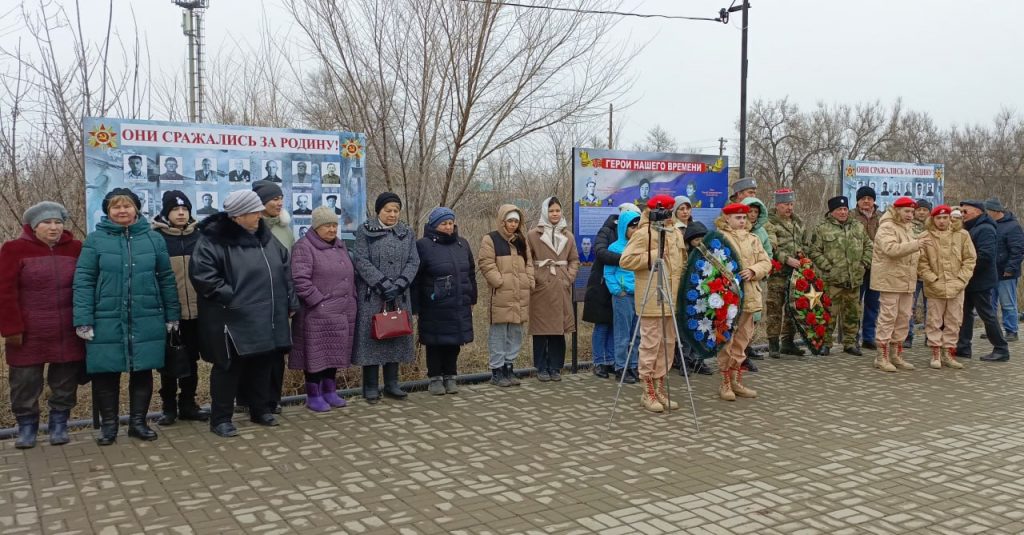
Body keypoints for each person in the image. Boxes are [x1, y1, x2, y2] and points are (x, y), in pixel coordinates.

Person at [73, 189, 181, 445]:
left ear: (136, 209)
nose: (122, 211)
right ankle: (109, 427)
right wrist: (83, 319)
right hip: (106, 317)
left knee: (142, 370)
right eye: (116, 207)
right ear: (108, 211)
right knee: (105, 373)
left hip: (147, 315)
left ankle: (138, 423)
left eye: (127, 206)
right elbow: (84, 281)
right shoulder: (95, 240)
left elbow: (166, 279)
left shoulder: (153, 239)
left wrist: (172, 315)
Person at [190, 190, 298, 437]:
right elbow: (203, 277)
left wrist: (289, 300)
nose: (259, 215)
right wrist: (233, 296)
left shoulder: (265, 236)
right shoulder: (213, 240)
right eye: (254, 212)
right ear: (237, 216)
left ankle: (260, 409)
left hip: (266, 314)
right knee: (228, 368)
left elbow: (284, 267)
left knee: (262, 363)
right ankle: (221, 419)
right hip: (233, 317)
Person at [1, 202, 84, 449]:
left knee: (65, 381)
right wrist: (11, 328)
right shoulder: (14, 249)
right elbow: (4, 291)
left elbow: (87, 285)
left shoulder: (76, 248)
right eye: (47, 222)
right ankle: (27, 427)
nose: (53, 227)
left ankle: (59, 424)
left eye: (58, 222)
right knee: (24, 382)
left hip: (67, 330)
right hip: (28, 332)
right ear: (33, 226)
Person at [352, 192, 420, 402]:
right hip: (373, 295)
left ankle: (392, 384)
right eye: (388, 210)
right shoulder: (365, 230)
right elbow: (361, 260)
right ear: (378, 211)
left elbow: (414, 261)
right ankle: (370, 386)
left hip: (399, 295)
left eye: (396, 210)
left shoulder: (407, 232)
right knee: (371, 339)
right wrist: (381, 283)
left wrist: (400, 284)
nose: (392, 214)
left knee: (395, 336)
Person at [619, 195, 684, 412]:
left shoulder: (675, 233)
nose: (668, 215)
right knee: (651, 344)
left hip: (670, 297)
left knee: (668, 344)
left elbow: (680, 265)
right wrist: (654, 254)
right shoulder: (643, 233)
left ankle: (659, 387)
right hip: (650, 298)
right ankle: (647, 391)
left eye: (670, 210)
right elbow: (625, 260)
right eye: (665, 211)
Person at [290, 206, 357, 411]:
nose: (332, 229)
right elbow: (300, 280)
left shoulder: (340, 246)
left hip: (342, 312)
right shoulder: (304, 247)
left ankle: (330, 391)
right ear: (316, 226)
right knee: (315, 355)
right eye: (327, 225)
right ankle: (313, 395)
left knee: (334, 353)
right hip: (316, 314)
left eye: (334, 225)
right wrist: (319, 301)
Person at [152, 191, 209, 425]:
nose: (181, 213)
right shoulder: (156, 238)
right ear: (167, 213)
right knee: (170, 361)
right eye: (175, 210)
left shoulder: (200, 236)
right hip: (169, 313)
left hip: (196, 312)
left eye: (185, 209)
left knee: (191, 360)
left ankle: (188, 404)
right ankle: (168, 408)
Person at [413, 207, 477, 395]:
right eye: (443, 223)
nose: (448, 227)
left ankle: (450, 376)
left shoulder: (462, 244)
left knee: (454, 342)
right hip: (434, 305)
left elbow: (471, 272)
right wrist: (415, 306)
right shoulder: (423, 246)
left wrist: (472, 297)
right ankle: (435, 378)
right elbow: (416, 278)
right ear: (434, 225)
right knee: (435, 342)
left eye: (451, 223)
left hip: (458, 303)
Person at [714, 203, 772, 401]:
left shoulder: (753, 239)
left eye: (744, 218)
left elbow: (766, 262)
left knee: (743, 339)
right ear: (727, 218)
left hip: (750, 296)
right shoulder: (719, 238)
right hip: (727, 299)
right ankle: (724, 382)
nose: (742, 221)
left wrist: (754, 270)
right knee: (726, 340)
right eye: (737, 217)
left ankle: (736, 380)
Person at [807, 196, 873, 356]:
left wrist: (864, 264)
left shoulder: (857, 226)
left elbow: (869, 246)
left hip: (853, 279)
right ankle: (826, 344)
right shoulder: (822, 228)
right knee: (829, 314)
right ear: (832, 211)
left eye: (845, 209)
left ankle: (850, 343)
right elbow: (814, 251)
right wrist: (829, 268)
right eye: (839, 209)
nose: (843, 212)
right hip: (832, 281)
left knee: (852, 314)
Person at [582, 203, 640, 380]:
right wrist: (626, 261)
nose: (636, 228)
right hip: (606, 289)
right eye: (632, 223)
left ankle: (622, 363)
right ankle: (602, 362)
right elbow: (601, 253)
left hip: (633, 293)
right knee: (604, 326)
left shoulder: (638, 244)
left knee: (630, 332)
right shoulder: (607, 233)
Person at [479, 204, 534, 387]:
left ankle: (509, 367)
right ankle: (497, 371)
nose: (513, 224)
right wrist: (499, 281)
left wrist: (529, 281)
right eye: (510, 220)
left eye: (516, 221)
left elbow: (529, 263)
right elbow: (486, 263)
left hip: (520, 294)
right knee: (499, 333)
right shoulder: (491, 239)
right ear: (502, 221)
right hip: (501, 294)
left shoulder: (521, 240)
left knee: (516, 332)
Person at [870, 197, 926, 372]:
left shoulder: (907, 227)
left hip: (907, 281)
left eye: (912, 212)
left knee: (904, 317)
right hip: (890, 280)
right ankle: (881, 357)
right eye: (906, 211)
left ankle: (896, 355)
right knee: (888, 317)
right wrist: (916, 244)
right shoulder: (887, 226)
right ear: (897, 210)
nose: (910, 215)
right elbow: (891, 250)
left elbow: (912, 253)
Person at [526, 196, 580, 381]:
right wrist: (537, 277)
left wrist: (568, 278)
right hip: (541, 287)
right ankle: (541, 367)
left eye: (557, 210)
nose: (555, 214)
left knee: (558, 329)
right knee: (541, 329)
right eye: (551, 211)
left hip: (560, 285)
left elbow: (574, 260)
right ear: (545, 212)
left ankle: (555, 367)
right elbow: (527, 260)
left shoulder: (568, 235)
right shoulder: (533, 235)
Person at [918, 205, 975, 370]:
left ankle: (948, 353)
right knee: (934, 321)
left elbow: (970, 259)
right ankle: (935, 353)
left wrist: (961, 280)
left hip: (956, 287)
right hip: (935, 287)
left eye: (945, 218)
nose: (942, 221)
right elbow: (921, 263)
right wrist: (932, 279)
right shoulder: (925, 237)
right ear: (933, 219)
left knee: (954, 321)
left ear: (950, 218)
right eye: (938, 218)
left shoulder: (962, 235)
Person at [956, 200, 1010, 362]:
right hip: (969, 280)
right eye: (961, 212)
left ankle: (1001, 349)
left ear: (977, 212)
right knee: (965, 314)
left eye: (965, 211)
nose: (962, 215)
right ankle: (963, 347)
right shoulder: (970, 227)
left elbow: (985, 256)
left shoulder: (985, 229)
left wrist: (965, 270)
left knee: (987, 314)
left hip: (980, 280)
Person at [765, 189, 807, 358]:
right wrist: (786, 259)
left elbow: (804, 243)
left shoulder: (798, 222)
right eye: (785, 204)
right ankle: (773, 344)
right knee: (774, 309)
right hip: (778, 274)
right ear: (777, 205)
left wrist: (804, 256)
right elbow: (769, 248)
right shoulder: (770, 223)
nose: (789, 208)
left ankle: (788, 342)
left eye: (791, 204)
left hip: (796, 275)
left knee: (793, 309)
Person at [604, 209, 642, 384]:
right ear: (624, 228)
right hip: (623, 296)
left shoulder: (642, 246)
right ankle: (621, 367)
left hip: (639, 295)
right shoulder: (615, 247)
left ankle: (633, 365)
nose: (635, 230)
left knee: (637, 334)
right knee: (622, 334)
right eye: (632, 227)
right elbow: (608, 273)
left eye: (638, 227)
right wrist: (617, 291)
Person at [986, 198, 1024, 342]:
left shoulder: (1013, 226)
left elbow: (1018, 250)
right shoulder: (988, 225)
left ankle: (1011, 330)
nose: (985, 213)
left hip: (1006, 273)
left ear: (995, 211)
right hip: (990, 272)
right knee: (990, 303)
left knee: (1007, 303)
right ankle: (993, 331)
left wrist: (1010, 269)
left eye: (987, 211)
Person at [740, 196, 772, 363]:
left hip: (754, 279)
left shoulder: (761, 233)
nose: (752, 215)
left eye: (755, 212)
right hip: (738, 280)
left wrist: (759, 271)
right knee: (739, 317)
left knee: (754, 315)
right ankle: (739, 352)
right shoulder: (735, 232)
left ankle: (748, 346)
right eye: (749, 211)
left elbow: (768, 255)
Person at [853, 186, 882, 350]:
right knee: (854, 303)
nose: (866, 201)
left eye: (869, 198)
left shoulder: (881, 217)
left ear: (873, 201)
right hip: (858, 266)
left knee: (873, 304)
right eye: (863, 198)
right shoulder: (850, 216)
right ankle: (852, 337)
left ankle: (869, 337)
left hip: (877, 267)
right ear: (857, 201)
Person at [906, 198, 933, 348]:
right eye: (919, 210)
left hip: (930, 273)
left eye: (925, 210)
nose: (922, 212)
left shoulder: (935, 226)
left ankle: (931, 336)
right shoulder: (908, 226)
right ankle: (907, 336)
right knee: (909, 306)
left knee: (932, 308)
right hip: (913, 273)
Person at [253, 180, 293, 250]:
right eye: (275, 199)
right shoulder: (250, 229)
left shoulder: (286, 230)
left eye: (281, 199)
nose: (280, 203)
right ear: (261, 202)